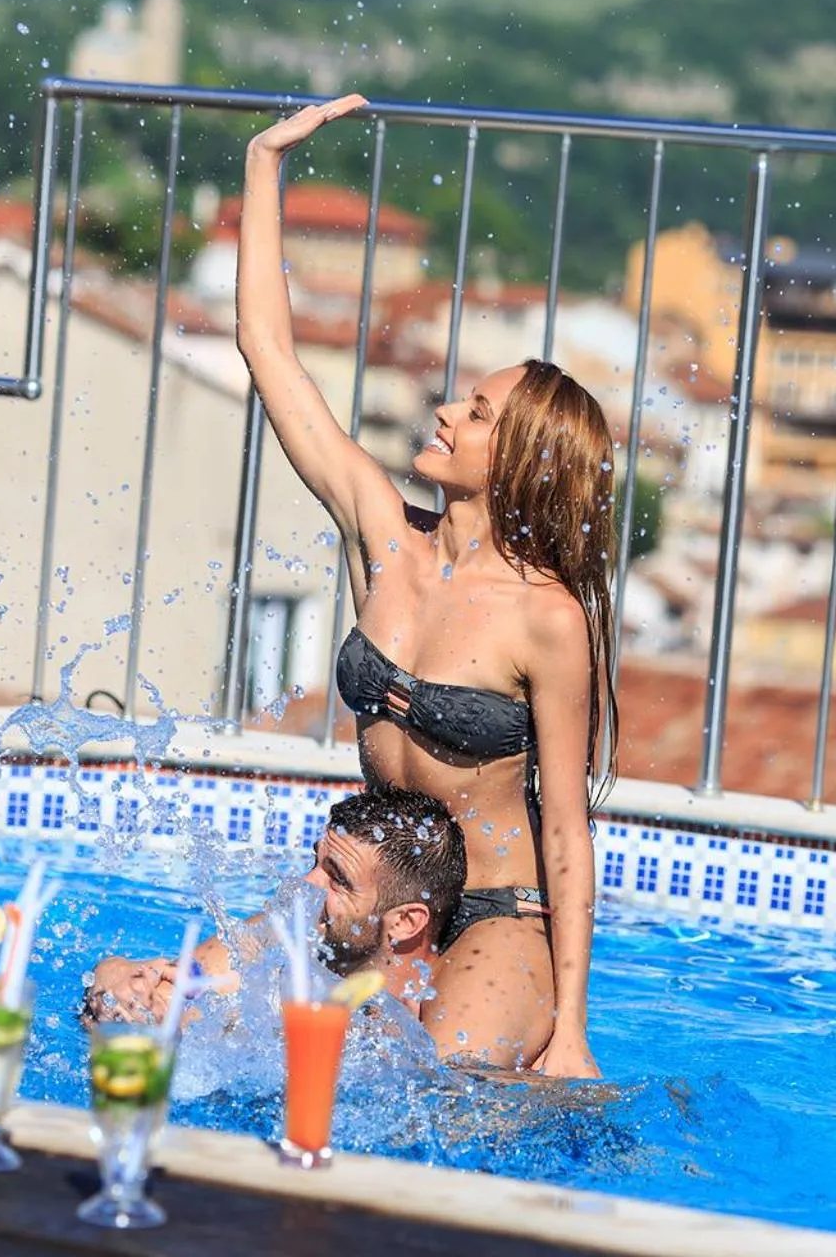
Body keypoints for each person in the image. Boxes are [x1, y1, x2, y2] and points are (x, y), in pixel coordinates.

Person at [234, 96, 616, 1077]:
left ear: (521, 457)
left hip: (496, 916)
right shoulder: (381, 536)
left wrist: (570, 1028)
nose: (446, 409)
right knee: (138, 999)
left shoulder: (547, 619)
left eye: (476, 411)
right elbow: (269, 352)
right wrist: (263, 165)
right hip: (380, 902)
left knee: (436, 1091)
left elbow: (568, 830)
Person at [83, 788, 466, 1032]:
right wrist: (113, 976)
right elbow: (170, 985)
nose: (304, 885)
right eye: (315, 862)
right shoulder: (280, 937)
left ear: (404, 921)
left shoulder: (440, 1014)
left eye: (338, 880)